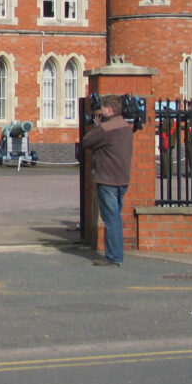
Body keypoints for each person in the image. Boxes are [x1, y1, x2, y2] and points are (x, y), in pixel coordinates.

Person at [81, 94, 134, 266]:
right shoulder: (126, 126)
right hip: (122, 178)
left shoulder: (105, 128)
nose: (100, 112)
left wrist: (97, 126)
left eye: (102, 109)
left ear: (109, 110)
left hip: (107, 179)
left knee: (111, 220)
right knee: (115, 217)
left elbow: (86, 141)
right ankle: (116, 254)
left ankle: (114, 257)